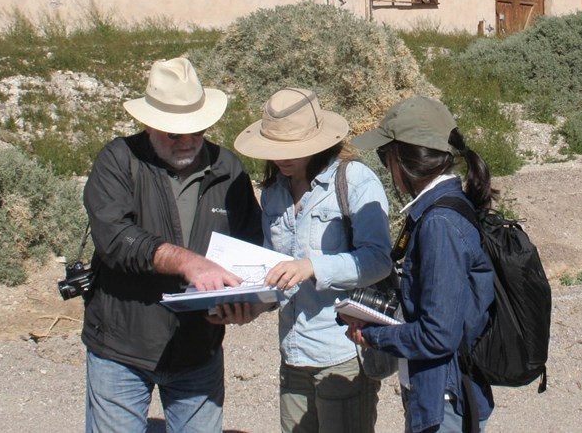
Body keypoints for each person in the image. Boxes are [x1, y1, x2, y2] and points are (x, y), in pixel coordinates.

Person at [81, 57, 265, 433]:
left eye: (196, 131)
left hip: (199, 350)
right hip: (122, 349)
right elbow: (114, 238)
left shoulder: (229, 169)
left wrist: (245, 303)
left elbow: (249, 247)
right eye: (174, 133)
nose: (188, 142)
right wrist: (188, 262)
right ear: (149, 124)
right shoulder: (118, 160)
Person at [233, 87, 394, 433]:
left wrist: (314, 267)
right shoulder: (274, 192)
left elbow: (378, 260)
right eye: (275, 149)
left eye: (292, 148)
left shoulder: (354, 181)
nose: (282, 157)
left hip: (343, 353)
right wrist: (252, 306)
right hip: (293, 353)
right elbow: (274, 272)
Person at [344, 96, 497, 433]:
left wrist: (374, 335)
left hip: (443, 399)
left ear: (400, 158)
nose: (386, 168)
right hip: (439, 392)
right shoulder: (443, 208)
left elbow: (438, 336)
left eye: (385, 157)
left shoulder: (439, 222)